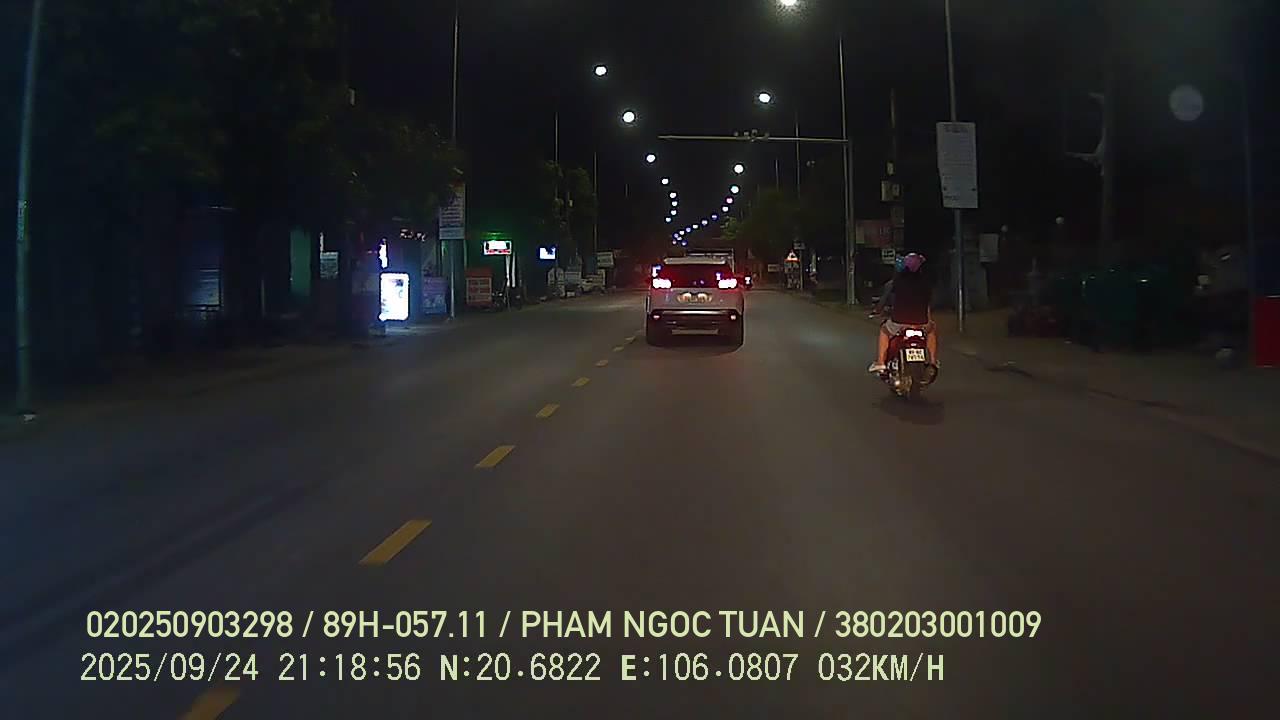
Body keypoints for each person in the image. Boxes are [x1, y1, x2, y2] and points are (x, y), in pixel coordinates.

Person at [868, 253, 938, 373]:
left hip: (899, 322)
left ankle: (880, 362)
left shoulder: (896, 282)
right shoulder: (926, 283)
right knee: (931, 330)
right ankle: (933, 361)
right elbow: (929, 301)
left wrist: (877, 311)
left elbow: (885, 299)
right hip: (921, 322)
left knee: (884, 330)